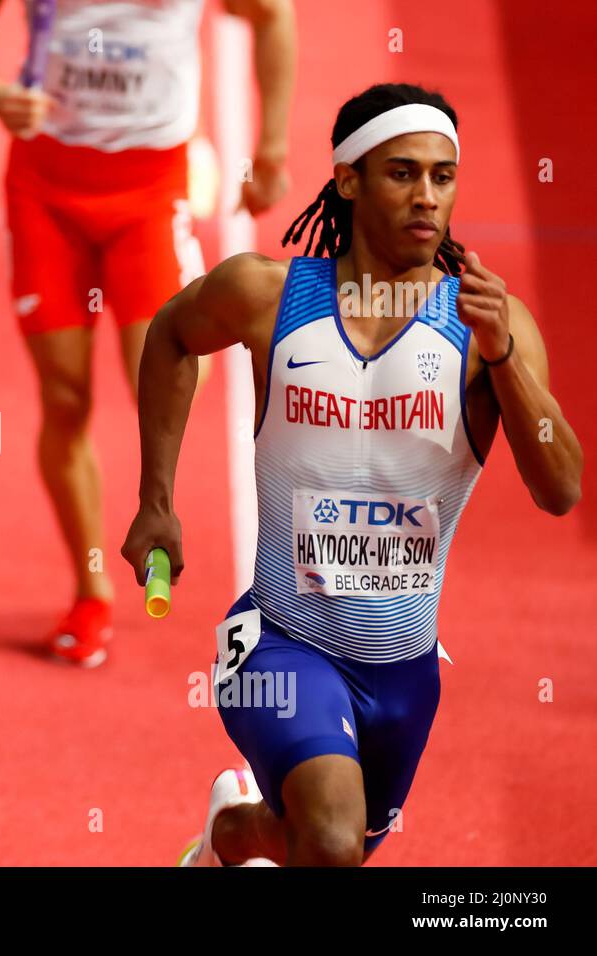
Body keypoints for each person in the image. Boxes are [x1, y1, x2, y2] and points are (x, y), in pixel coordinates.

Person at [122, 82, 583, 865]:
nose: (427, 197)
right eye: (403, 173)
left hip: (404, 673)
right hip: (282, 642)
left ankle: (229, 835)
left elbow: (561, 489)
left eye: (443, 176)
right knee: (331, 841)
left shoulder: (486, 331)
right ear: (347, 180)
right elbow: (170, 335)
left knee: (325, 847)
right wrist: (155, 500)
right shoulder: (266, 295)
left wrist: (506, 358)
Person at [0, 0, 296, 666]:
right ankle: (90, 590)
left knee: (163, 386)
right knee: (66, 400)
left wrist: (271, 144)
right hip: (46, 189)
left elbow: (273, 14)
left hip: (149, 189)